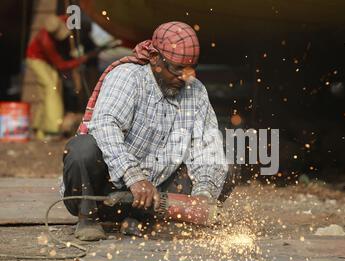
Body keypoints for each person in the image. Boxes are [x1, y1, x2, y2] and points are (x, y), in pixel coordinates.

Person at [62, 21, 230, 241]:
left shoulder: (196, 92)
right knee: (81, 149)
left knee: (225, 162)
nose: (184, 76)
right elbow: (105, 126)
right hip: (108, 192)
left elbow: (207, 146)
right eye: (176, 68)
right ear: (154, 58)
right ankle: (88, 216)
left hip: (158, 195)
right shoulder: (128, 77)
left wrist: (202, 196)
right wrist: (134, 178)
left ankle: (143, 217)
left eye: (190, 69)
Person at [26, 15, 97, 140]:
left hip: (48, 60)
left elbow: (76, 22)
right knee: (51, 88)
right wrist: (81, 59)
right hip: (37, 59)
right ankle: (52, 128)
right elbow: (61, 65)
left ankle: (40, 130)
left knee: (51, 89)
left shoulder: (65, 19)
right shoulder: (46, 41)